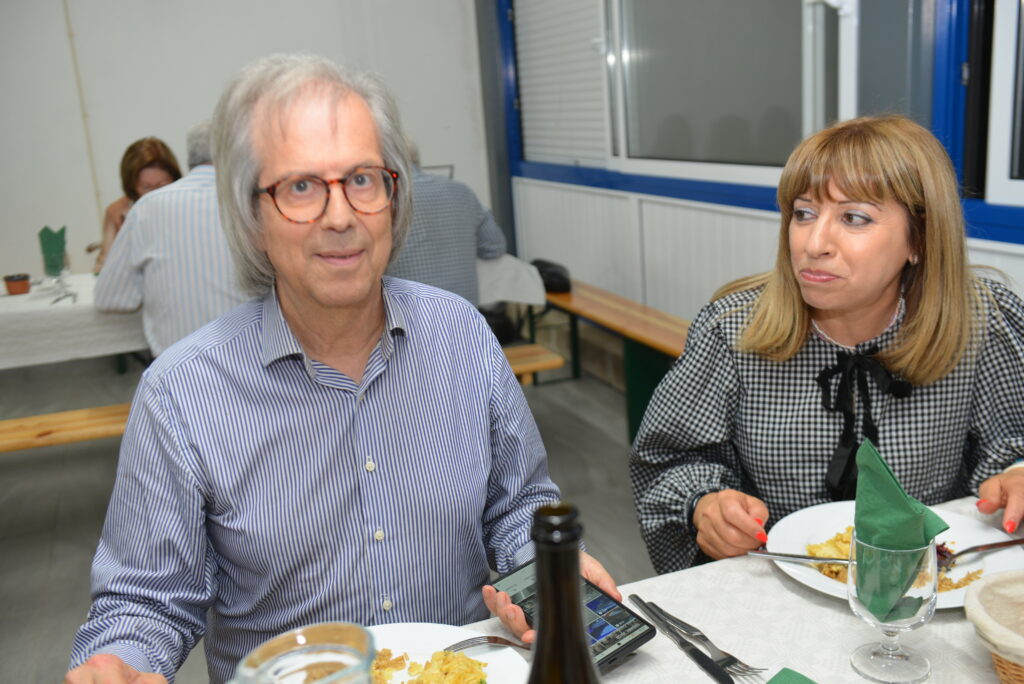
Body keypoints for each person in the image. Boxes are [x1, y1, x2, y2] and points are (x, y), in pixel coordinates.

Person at [66, 53, 617, 684]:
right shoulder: (182, 395)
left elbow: (516, 505)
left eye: (361, 179)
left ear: (393, 197)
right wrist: (121, 665)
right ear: (251, 217)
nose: (340, 215)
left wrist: (549, 571)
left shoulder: (461, 336)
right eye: (300, 187)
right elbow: (146, 602)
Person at [631, 115, 1024, 573]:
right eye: (803, 213)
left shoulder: (983, 321)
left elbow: (1012, 442)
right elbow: (667, 459)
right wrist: (704, 505)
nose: (814, 243)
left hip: (930, 585)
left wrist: (1015, 473)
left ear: (919, 238)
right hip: (772, 582)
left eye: (854, 218)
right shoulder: (733, 330)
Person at [93, 120, 248, 356]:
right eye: (146, 186)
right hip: (249, 361)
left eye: (161, 183)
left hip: (177, 367)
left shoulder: (144, 210)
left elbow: (110, 297)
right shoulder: (252, 202)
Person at [386, 139, 507, 305]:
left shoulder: (386, 201)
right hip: (464, 314)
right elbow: (495, 246)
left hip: (406, 316)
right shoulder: (462, 191)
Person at [91, 137, 183, 272]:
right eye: (146, 187)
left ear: (175, 179)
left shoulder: (186, 206)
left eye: (162, 185)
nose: (155, 194)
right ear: (132, 187)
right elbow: (103, 265)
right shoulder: (117, 212)